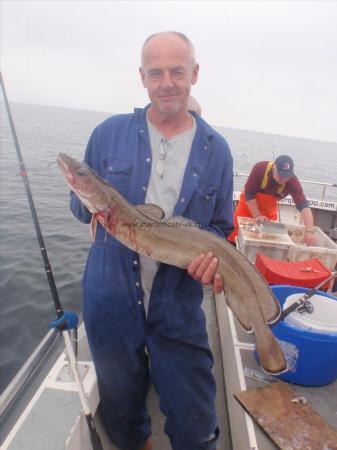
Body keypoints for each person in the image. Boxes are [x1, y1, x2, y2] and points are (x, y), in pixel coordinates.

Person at [70, 31, 233, 450]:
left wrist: (210, 264)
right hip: (110, 304)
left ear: (194, 74)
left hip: (177, 307)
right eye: (155, 72)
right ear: (142, 77)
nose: (166, 82)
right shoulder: (107, 134)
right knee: (123, 413)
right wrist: (88, 203)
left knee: (196, 424)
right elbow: (77, 204)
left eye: (177, 71)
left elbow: (220, 228)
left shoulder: (218, 151)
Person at [227, 155, 316, 246]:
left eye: (287, 176)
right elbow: (249, 194)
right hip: (248, 207)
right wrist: (257, 215)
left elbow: (303, 205)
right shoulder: (260, 168)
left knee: (268, 239)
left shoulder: (292, 182)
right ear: (274, 168)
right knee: (236, 235)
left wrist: (309, 231)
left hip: (268, 213)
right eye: (280, 175)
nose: (283, 179)